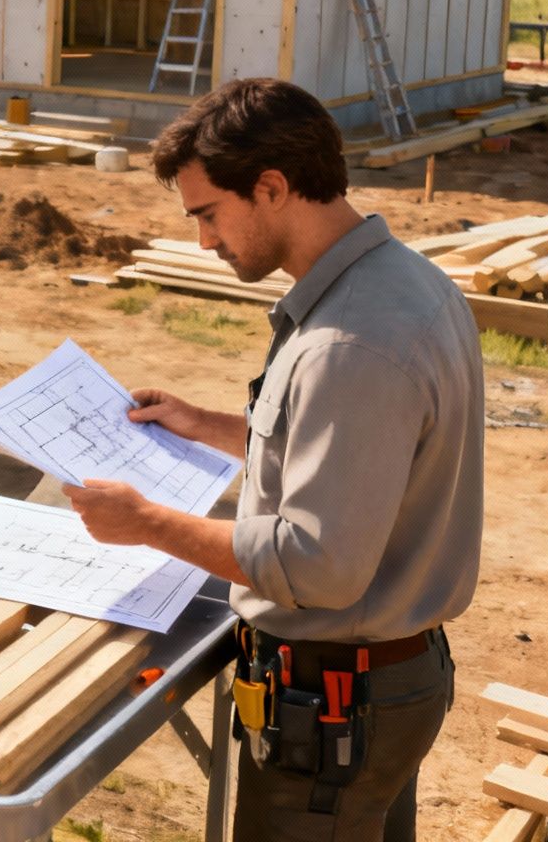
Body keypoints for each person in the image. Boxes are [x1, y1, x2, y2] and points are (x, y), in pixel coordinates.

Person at [63, 79, 482, 841]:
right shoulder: (402, 284)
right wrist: (206, 425)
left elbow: (318, 564)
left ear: (272, 188)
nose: (203, 241)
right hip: (373, 687)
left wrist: (148, 522)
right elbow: (349, 455)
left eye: (208, 214)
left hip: (333, 707)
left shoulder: (351, 343)